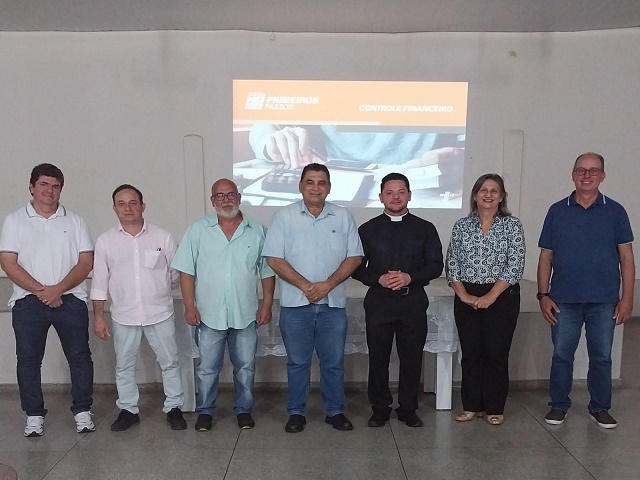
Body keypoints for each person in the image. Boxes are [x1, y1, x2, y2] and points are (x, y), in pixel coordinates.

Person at [262, 163, 363, 433]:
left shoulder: (343, 216)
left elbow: (354, 257)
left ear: (329, 187)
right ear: (301, 186)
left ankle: (335, 411)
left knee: (333, 361)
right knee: (297, 362)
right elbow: (274, 257)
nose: (315, 187)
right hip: (296, 305)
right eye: (310, 182)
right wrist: (308, 286)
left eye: (321, 182)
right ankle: (296, 412)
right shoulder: (284, 216)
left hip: (332, 304)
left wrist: (327, 285)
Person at [538, 152, 634, 429]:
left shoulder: (616, 211)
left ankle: (600, 407)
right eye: (581, 170)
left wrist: (627, 298)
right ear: (573, 174)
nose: (587, 175)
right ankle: (558, 405)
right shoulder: (557, 210)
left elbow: (626, 258)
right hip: (562, 300)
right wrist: (543, 295)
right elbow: (546, 256)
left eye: (593, 171)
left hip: (604, 301)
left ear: (603, 176)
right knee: (561, 355)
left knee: (602, 356)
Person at [172, 178, 275, 432]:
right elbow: (186, 271)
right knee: (207, 369)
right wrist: (189, 305)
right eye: (219, 196)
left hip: (246, 313)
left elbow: (267, 272)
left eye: (230, 195)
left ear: (239, 197)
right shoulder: (198, 230)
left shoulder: (257, 230)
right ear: (212, 200)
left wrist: (267, 305)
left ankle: (244, 410)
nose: (225, 200)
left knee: (246, 367)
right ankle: (205, 412)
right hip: (208, 313)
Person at [0, 163, 95, 437]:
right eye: (43, 184)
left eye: (55, 186)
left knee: (79, 358)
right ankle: (33, 415)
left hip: (71, 300)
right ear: (31, 187)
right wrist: (43, 290)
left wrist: (59, 289)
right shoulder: (14, 220)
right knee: (28, 361)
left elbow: (86, 262)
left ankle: (82, 411)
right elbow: (8, 262)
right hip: (29, 303)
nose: (49, 191)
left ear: (61, 190)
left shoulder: (75, 221)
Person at [90, 184, 187, 431]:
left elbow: (176, 274)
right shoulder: (105, 241)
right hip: (124, 315)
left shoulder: (161, 237)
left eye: (133, 202)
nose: (128, 208)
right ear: (114, 208)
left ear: (143, 206)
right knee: (123, 365)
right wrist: (99, 317)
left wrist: (161, 292)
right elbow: (100, 281)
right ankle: (128, 410)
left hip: (160, 312)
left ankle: (174, 407)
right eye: (121, 204)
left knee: (170, 362)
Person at [352, 173, 443, 428]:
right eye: (389, 192)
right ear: (380, 196)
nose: (395, 197)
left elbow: (436, 266)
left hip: (412, 301)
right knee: (378, 358)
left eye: (401, 192)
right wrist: (378, 278)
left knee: (412, 358)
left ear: (410, 195)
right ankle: (380, 408)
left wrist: (409, 277)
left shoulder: (425, 228)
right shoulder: (367, 229)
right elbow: (356, 267)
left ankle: (408, 408)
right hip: (379, 302)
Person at [445, 173, 525, 426]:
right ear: (475, 195)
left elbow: (515, 265)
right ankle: (470, 405)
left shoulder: (512, 226)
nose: (488, 195)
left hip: (502, 296)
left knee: (495, 353)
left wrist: (491, 296)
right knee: (471, 353)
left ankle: (494, 407)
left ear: (501, 197)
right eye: (483, 190)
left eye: (494, 191)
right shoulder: (461, 226)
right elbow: (452, 264)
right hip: (466, 296)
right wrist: (464, 295)